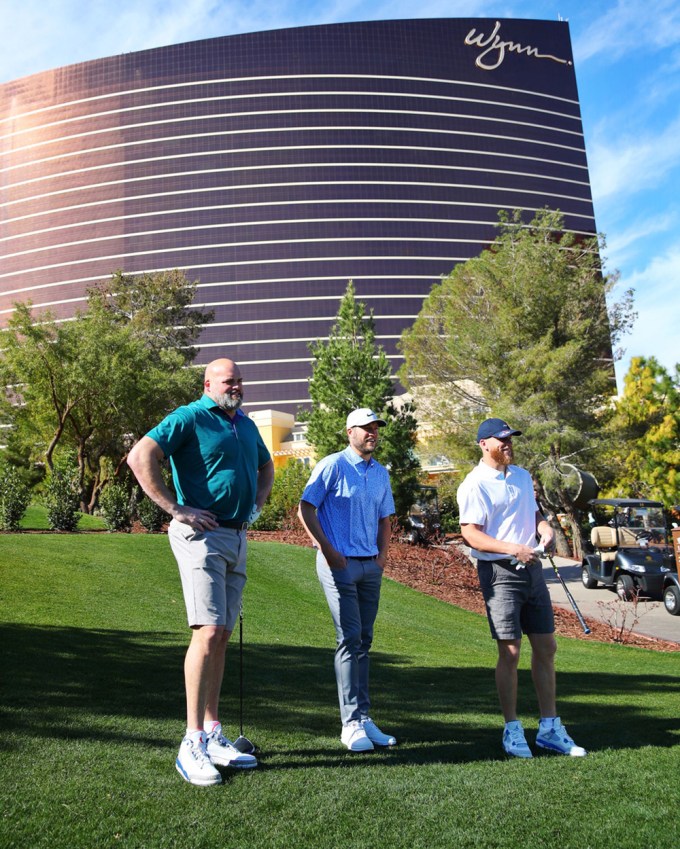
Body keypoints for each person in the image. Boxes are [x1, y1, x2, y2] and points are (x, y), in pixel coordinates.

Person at [127, 358, 275, 785]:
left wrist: (258, 503)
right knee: (207, 631)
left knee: (223, 634)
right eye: (229, 381)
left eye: (240, 380)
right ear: (208, 383)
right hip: (201, 537)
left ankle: (212, 732)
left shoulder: (244, 424)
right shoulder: (189, 417)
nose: (237, 386)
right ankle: (190, 741)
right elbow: (141, 456)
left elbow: (265, 466)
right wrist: (176, 508)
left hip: (235, 535)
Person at [456, 418, 587, 759]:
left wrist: (544, 529)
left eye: (511, 439)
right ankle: (512, 729)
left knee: (546, 646)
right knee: (510, 652)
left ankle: (549, 728)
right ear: (484, 444)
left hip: (532, 569)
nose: (508, 444)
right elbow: (471, 533)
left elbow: (535, 514)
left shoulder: (522, 476)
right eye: (502, 440)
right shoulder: (475, 484)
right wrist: (513, 548)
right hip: (499, 572)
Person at [298, 408, 397, 752]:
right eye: (365, 428)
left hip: (370, 566)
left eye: (375, 428)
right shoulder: (332, 465)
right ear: (349, 432)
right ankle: (350, 723)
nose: (372, 433)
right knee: (349, 637)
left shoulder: (380, 473)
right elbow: (306, 507)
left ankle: (365, 718)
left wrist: (383, 556)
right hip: (338, 564)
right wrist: (326, 549)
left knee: (364, 640)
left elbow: (386, 519)